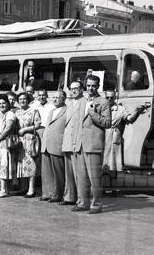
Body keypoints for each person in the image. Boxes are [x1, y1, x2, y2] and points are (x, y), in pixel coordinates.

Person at [72, 74, 111, 214]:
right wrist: (74, 141)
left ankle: (96, 205)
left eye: (93, 86)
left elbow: (107, 123)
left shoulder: (104, 102)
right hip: (80, 144)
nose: (90, 88)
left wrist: (93, 113)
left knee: (95, 178)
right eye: (88, 85)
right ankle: (83, 203)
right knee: (81, 176)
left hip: (94, 145)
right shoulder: (81, 101)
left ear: (98, 86)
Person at [103, 90, 149, 178]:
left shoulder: (121, 109)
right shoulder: (102, 108)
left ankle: (112, 183)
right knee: (102, 164)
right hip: (103, 138)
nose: (109, 99)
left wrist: (137, 111)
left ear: (115, 98)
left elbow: (130, 119)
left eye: (111, 97)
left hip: (114, 138)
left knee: (113, 164)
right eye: (107, 97)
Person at [60, 79, 86, 207]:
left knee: (79, 173)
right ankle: (69, 197)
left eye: (76, 88)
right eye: (72, 88)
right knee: (69, 172)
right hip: (67, 141)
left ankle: (81, 199)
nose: (74, 91)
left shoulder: (84, 102)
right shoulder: (68, 102)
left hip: (77, 141)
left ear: (81, 90)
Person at [40, 90, 67, 202]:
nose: (55, 99)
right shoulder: (51, 111)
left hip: (57, 144)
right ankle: (47, 193)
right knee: (46, 172)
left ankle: (58, 194)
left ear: (63, 99)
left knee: (58, 172)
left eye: (57, 97)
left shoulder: (67, 111)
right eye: (54, 97)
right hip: (46, 144)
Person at [15, 92, 42, 197]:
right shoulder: (17, 112)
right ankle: (23, 187)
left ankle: (31, 189)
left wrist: (26, 129)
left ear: (28, 100)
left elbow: (38, 124)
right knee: (21, 164)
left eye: (24, 99)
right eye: (20, 99)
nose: (22, 101)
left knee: (30, 163)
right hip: (19, 141)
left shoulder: (33, 111)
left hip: (30, 139)